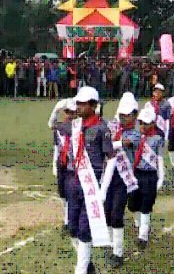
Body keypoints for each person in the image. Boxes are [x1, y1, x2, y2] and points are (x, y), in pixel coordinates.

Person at [67, 86, 113, 274]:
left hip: (92, 185)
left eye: (82, 103)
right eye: (77, 103)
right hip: (75, 181)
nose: (78, 107)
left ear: (93, 105)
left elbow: (110, 159)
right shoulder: (76, 125)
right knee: (72, 227)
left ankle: (81, 269)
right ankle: (87, 265)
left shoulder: (102, 128)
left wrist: (103, 190)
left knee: (85, 230)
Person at [103, 93, 139, 267]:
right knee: (106, 211)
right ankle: (110, 244)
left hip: (123, 179)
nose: (125, 118)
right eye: (122, 114)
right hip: (108, 176)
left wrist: (108, 140)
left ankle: (118, 252)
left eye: (128, 115)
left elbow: (124, 143)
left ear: (135, 115)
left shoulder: (136, 133)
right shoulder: (112, 125)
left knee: (117, 212)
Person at [127, 107, 165, 250]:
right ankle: (140, 224)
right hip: (136, 173)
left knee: (145, 206)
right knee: (132, 204)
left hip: (149, 175)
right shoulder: (135, 136)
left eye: (146, 123)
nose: (143, 126)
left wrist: (161, 178)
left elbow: (160, 159)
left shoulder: (157, 139)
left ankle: (143, 235)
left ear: (153, 124)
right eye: (141, 122)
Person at [48, 98, 77, 237]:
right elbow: (56, 148)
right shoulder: (59, 127)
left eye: (73, 112)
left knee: (71, 193)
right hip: (62, 164)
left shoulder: (79, 127)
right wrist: (55, 110)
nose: (70, 115)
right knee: (63, 193)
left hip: (74, 166)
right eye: (68, 112)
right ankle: (67, 218)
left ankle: (69, 221)